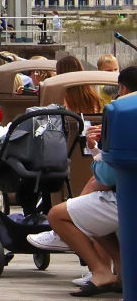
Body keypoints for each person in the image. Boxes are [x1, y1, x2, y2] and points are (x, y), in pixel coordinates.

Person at [26, 66, 136, 296]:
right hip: (124, 200)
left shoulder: (121, 114)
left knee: (58, 215)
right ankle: (124, 270)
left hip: (127, 199)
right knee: (91, 211)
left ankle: (100, 271)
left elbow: (107, 175)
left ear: (123, 88)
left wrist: (95, 152)